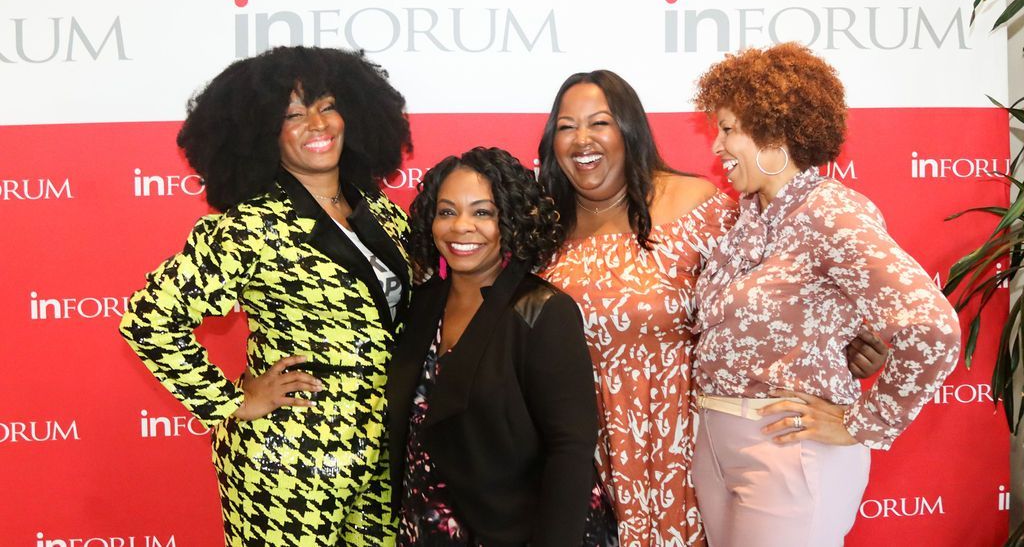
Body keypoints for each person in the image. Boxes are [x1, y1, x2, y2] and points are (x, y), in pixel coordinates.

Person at [537, 70, 889, 547]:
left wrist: (836, 346)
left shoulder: (699, 207)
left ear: (629, 129)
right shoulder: (543, 229)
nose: (582, 138)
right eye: (565, 126)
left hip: (688, 442)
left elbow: (771, 291)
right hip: (581, 448)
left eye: (599, 122)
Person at [119, 46, 413, 546]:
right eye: (292, 115)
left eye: (327, 105)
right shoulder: (247, 225)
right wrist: (230, 402)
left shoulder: (381, 211)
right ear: (262, 133)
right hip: (286, 463)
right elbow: (148, 319)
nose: (316, 124)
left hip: (383, 455)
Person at [690, 43, 961, 547]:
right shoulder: (749, 218)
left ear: (774, 133)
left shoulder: (830, 211)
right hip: (716, 445)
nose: (717, 148)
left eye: (728, 130)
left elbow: (932, 327)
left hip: (787, 452)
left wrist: (866, 422)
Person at [386, 147, 617, 546]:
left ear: (509, 220)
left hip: (524, 534)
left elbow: (571, 449)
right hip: (428, 530)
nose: (461, 227)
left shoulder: (542, 311)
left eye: (482, 212)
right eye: (446, 211)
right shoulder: (423, 305)